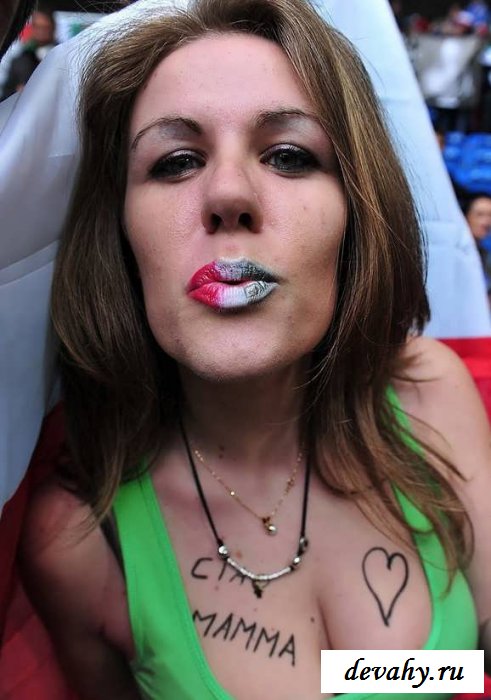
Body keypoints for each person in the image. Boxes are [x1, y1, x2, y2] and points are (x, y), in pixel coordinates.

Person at [11, 0, 491, 698]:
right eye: (176, 162)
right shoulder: (80, 540)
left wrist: (371, 675)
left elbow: (471, 655)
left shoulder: (429, 396)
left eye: (289, 156)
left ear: (356, 215)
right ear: (118, 235)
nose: (229, 194)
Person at [1, 9, 56, 100]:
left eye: (45, 27)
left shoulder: (62, 56)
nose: (41, 32)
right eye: (37, 27)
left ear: (53, 28)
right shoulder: (20, 59)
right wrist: (16, 92)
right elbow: (6, 92)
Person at [463, 192, 491, 301]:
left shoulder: (485, 255)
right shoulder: (457, 254)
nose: (486, 222)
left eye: (490, 215)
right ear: (466, 217)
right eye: (480, 215)